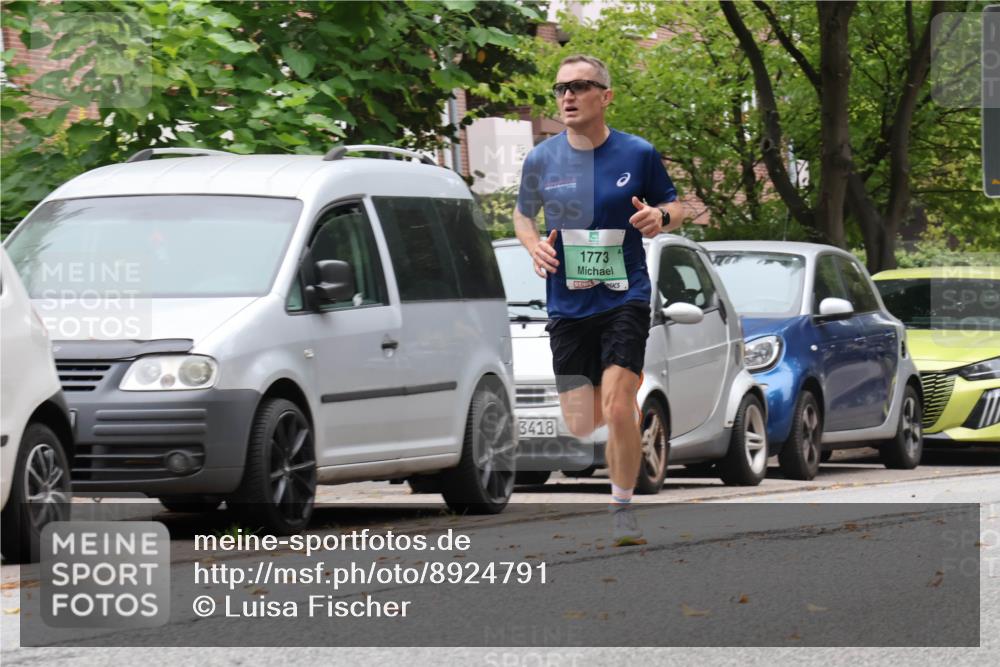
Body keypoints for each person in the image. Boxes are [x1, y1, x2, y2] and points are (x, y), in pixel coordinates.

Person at [514, 54, 683, 546]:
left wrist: (660, 217)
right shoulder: (541, 159)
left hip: (624, 296)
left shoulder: (637, 153)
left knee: (616, 402)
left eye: (580, 86)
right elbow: (523, 216)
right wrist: (533, 245)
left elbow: (676, 207)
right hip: (567, 304)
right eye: (560, 88)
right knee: (581, 420)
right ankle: (626, 414)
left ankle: (622, 510)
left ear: (605, 96)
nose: (567, 96)